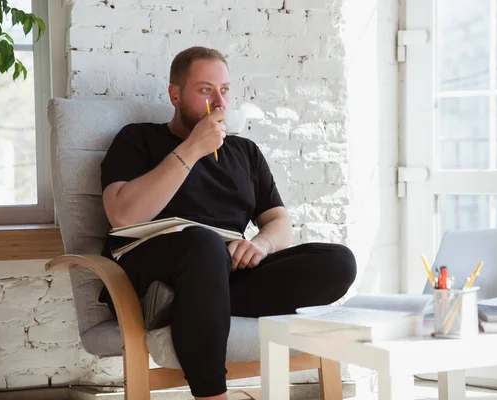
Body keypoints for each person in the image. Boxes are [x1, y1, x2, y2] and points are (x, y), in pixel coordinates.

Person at [98, 46, 357, 400]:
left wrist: (260, 245)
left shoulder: (245, 151)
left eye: (225, 90)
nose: (219, 102)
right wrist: (191, 149)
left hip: (221, 267)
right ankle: (212, 394)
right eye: (205, 90)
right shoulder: (137, 138)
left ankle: (187, 301)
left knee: (338, 261)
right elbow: (122, 214)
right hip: (155, 258)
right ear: (175, 94)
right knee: (203, 244)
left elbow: (278, 220)